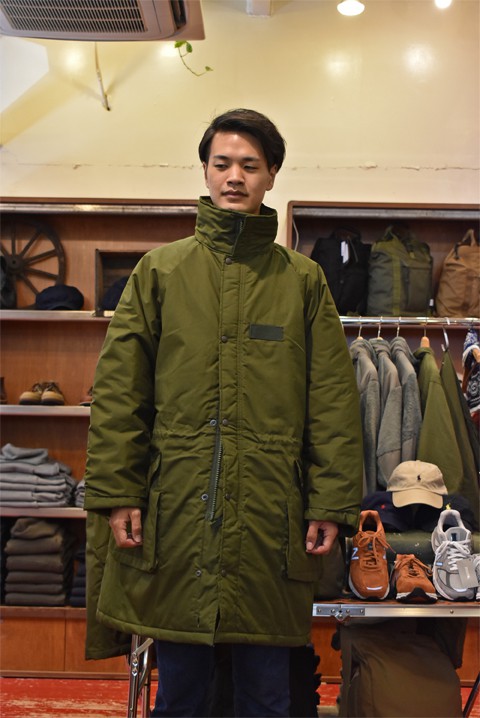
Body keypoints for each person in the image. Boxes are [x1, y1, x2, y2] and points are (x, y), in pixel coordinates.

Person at [84, 108, 363, 717]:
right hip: (178, 512)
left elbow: (332, 403)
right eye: (223, 163)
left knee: (267, 692)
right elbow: (120, 395)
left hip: (269, 517)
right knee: (180, 690)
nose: (235, 176)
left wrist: (330, 504)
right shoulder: (160, 272)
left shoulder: (303, 281)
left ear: (271, 176)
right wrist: (119, 493)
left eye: (250, 165)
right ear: (206, 171)